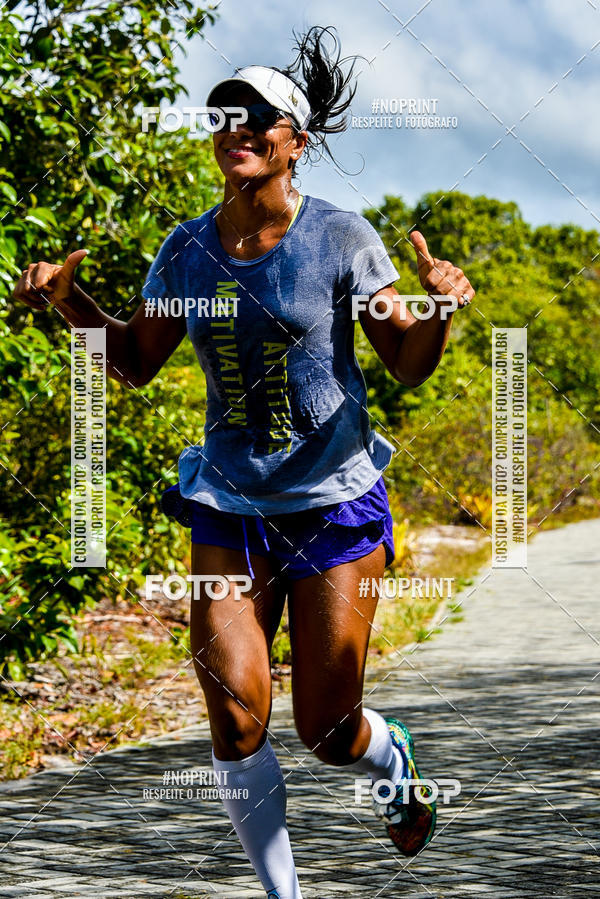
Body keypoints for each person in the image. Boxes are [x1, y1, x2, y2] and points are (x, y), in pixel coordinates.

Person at [13, 25, 475, 899]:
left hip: (333, 502)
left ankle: (391, 759)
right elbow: (134, 360)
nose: (239, 128)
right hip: (229, 502)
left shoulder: (341, 237)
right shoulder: (186, 250)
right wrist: (72, 304)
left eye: (261, 117)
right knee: (233, 716)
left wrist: (440, 311)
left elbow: (407, 360)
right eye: (226, 115)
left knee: (326, 728)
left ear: (296, 141)